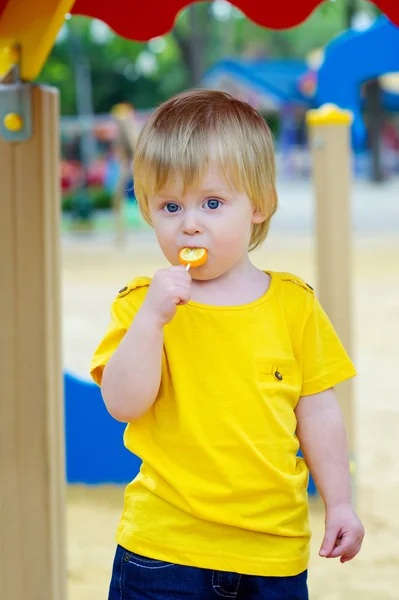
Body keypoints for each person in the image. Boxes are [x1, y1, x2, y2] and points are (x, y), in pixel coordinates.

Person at [90, 90, 365, 600]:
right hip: (164, 551)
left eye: (212, 203)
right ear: (149, 211)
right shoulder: (139, 304)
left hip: (273, 553)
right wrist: (152, 320)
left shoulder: (293, 304)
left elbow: (318, 410)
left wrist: (340, 502)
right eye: (170, 205)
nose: (190, 222)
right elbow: (123, 404)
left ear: (258, 205)